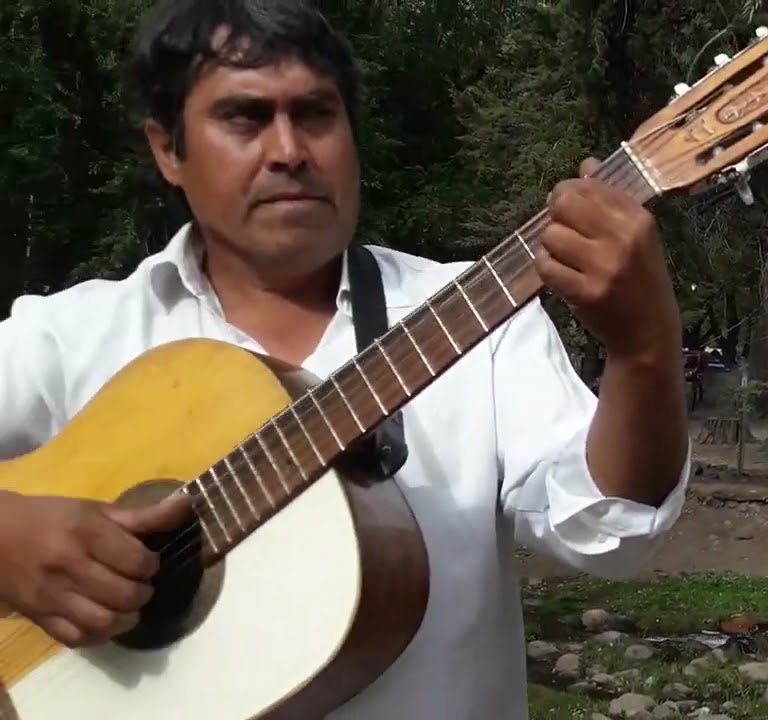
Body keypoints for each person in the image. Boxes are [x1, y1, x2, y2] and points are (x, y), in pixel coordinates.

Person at [0, 0, 691, 718]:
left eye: (316, 114)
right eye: (244, 117)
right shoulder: (68, 338)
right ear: (168, 149)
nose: (289, 149)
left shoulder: (478, 319)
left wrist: (643, 351)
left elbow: (607, 532)